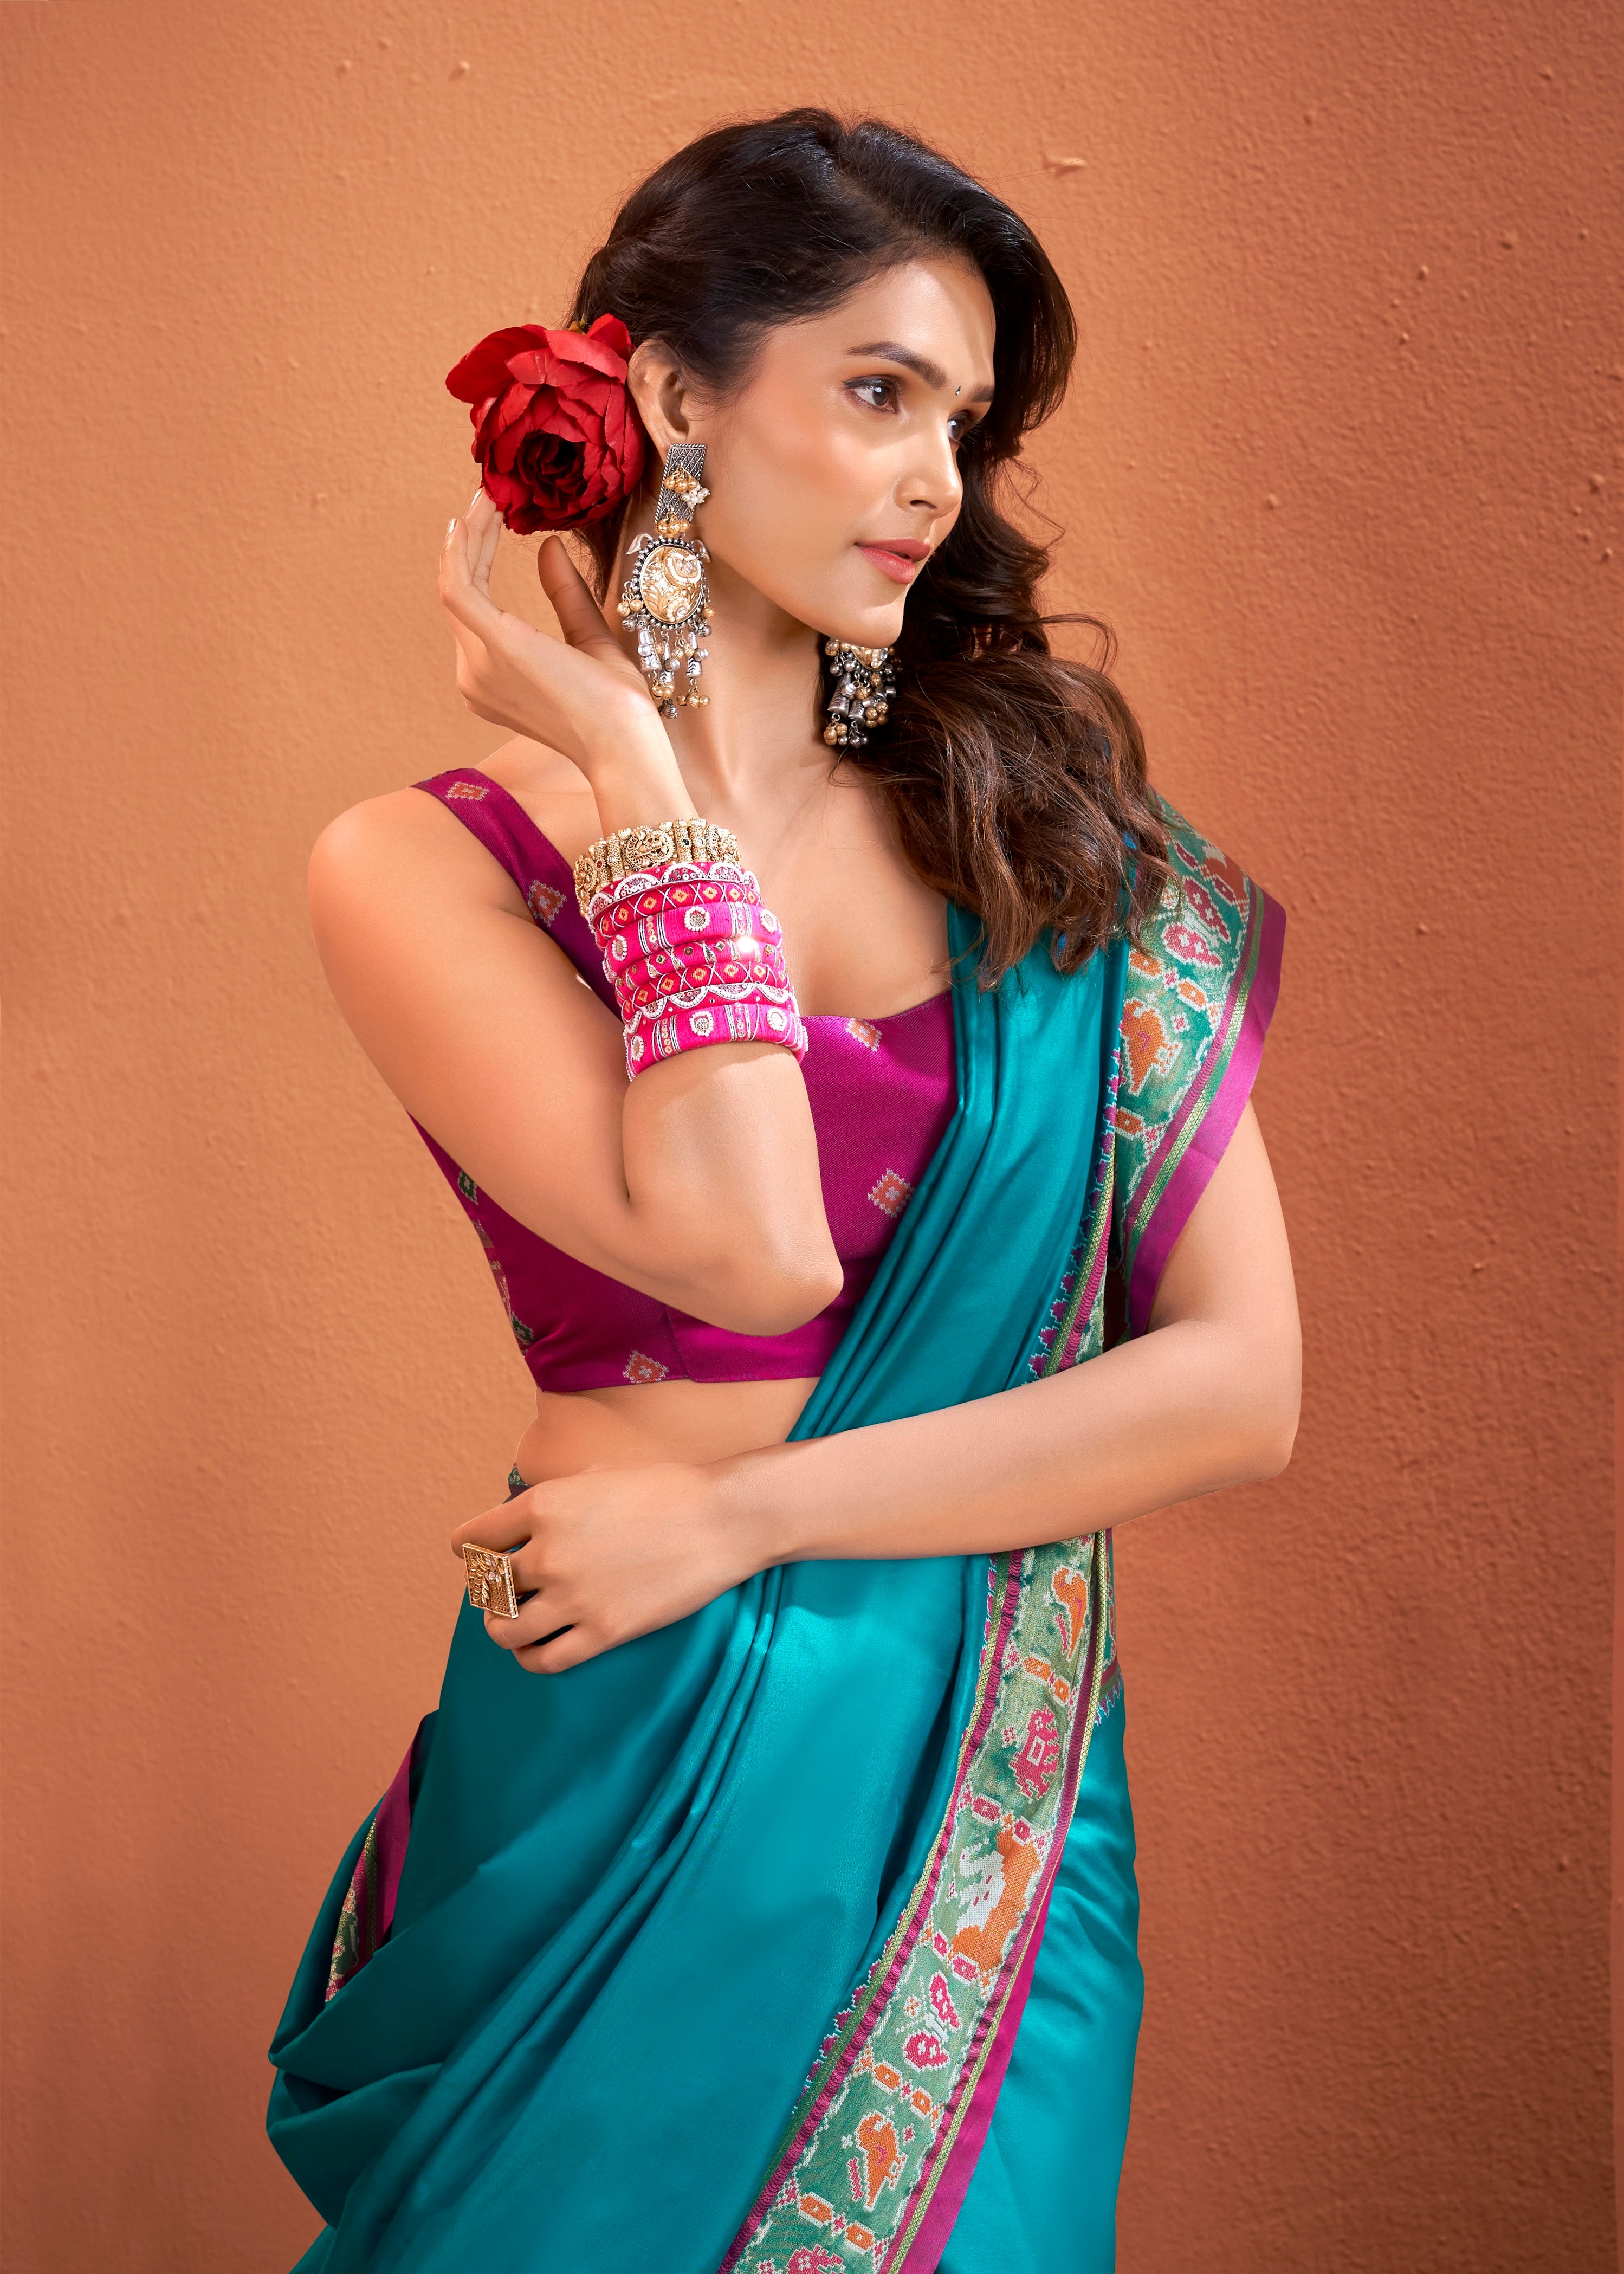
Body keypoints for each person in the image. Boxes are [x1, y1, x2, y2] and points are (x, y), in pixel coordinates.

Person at [266, 108, 1298, 2274]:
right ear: (666, 394)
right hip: (617, 1748)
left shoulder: (1063, 851)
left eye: (967, 421)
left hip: (974, 1774)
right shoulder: (428, 867)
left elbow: (1237, 1386)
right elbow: (745, 1245)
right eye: (876, 390)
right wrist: (647, 781)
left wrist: (743, 1511)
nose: (938, 476)